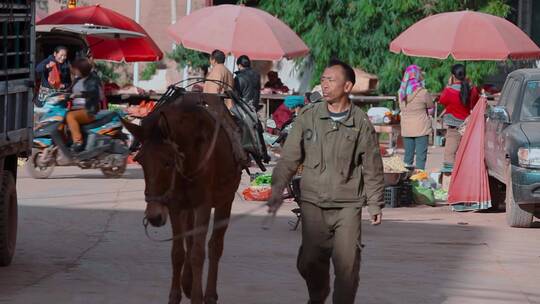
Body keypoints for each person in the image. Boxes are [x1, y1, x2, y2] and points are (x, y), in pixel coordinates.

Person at [267, 59, 384, 304]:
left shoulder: (360, 123)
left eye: (331, 79)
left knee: (347, 267)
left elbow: (372, 165)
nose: (325, 84)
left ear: (348, 86)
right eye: (323, 79)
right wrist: (277, 187)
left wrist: (375, 203)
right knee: (310, 260)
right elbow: (290, 157)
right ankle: (318, 295)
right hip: (313, 202)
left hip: (347, 205)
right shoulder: (308, 117)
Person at [439, 64, 480, 171]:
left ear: (453, 76)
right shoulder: (472, 90)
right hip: (468, 127)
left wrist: (448, 85)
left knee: (449, 156)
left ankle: (450, 180)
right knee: (467, 156)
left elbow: (442, 101)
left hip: (453, 129)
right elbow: (475, 103)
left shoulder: (449, 90)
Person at [398, 65, 433, 170]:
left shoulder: (401, 93)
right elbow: (430, 107)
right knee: (421, 158)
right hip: (421, 128)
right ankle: (419, 181)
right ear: (418, 75)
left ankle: (406, 181)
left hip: (407, 128)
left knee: (408, 157)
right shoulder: (423, 92)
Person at [66, 58, 102, 152]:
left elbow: (94, 92)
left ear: (81, 69)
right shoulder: (77, 79)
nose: (74, 71)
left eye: (75, 69)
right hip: (76, 109)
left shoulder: (92, 79)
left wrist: (80, 94)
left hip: (89, 110)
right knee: (60, 116)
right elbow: (70, 91)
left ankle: (78, 142)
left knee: (70, 116)